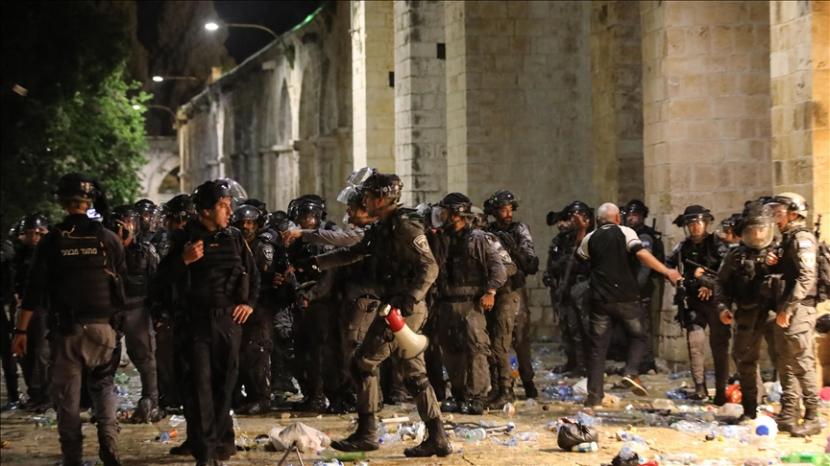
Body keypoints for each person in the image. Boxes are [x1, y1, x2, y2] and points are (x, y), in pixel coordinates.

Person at [313, 172, 451, 457]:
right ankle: (438, 437)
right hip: (396, 306)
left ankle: (367, 433)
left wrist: (411, 298)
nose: (363, 201)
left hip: (402, 309)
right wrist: (315, 263)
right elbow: (355, 252)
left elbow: (430, 266)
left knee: (363, 363)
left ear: (381, 198)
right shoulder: (383, 228)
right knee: (414, 374)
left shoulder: (404, 226)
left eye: (367, 196)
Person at [12, 173, 125, 466]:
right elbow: (120, 284)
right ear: (89, 202)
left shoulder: (51, 242)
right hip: (104, 329)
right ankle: (109, 440)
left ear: (63, 202)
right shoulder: (109, 239)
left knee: (68, 400)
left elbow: (33, 292)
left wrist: (20, 332)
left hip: (68, 332)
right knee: (104, 386)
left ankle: (72, 458)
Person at [155, 179, 259, 466]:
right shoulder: (183, 239)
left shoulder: (234, 238)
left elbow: (252, 275)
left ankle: (221, 442)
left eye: (229, 205)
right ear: (205, 211)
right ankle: (205, 451)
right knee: (199, 388)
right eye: (223, 206)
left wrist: (248, 304)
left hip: (228, 322)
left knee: (225, 387)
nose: (229, 212)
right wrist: (183, 261)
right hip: (195, 324)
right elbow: (160, 282)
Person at [577, 203, 681, 407]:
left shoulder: (591, 237)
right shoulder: (626, 232)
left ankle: (594, 396)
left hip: (600, 300)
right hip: (626, 297)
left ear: (598, 220)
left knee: (597, 348)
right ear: (618, 218)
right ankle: (631, 372)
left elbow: (580, 258)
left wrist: (582, 230)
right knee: (639, 335)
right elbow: (641, 254)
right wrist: (666, 271)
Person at [431, 193, 506, 414]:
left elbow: (499, 268)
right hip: (445, 302)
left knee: (476, 349)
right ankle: (459, 394)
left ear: (458, 214)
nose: (442, 216)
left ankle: (477, 396)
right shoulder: (441, 238)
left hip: (470, 303)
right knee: (450, 350)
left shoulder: (478, 238)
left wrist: (491, 291)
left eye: (446, 212)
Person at [765, 193, 821, 436]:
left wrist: (788, 308)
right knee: (785, 360)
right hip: (785, 307)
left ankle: (813, 416)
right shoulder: (786, 238)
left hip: (798, 308)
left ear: (794, 214)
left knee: (801, 361)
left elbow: (807, 277)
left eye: (779, 213)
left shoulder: (802, 238)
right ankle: (789, 412)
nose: (775, 218)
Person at [717, 201, 778, 422]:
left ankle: (792, 409)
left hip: (774, 314)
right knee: (744, 360)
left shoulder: (779, 252)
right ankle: (750, 409)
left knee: (786, 360)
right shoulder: (736, 256)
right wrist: (723, 307)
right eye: (753, 230)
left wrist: (775, 267)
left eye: (762, 229)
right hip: (747, 313)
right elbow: (721, 284)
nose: (758, 235)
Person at [666, 205, 730, 402]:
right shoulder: (682, 248)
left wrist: (709, 284)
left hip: (717, 303)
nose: (695, 227)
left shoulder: (717, 244)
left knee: (719, 347)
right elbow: (668, 266)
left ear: (706, 223)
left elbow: (727, 271)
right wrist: (675, 277)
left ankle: (721, 391)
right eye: (691, 223)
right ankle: (700, 388)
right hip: (693, 302)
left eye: (699, 223)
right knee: (695, 345)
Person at [105, 206, 160, 423]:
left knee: (145, 357)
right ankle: (104, 404)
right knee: (107, 357)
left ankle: (150, 401)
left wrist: (158, 313)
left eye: (128, 222)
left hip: (138, 308)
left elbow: (156, 281)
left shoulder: (145, 250)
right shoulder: (105, 249)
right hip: (111, 309)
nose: (124, 227)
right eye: (120, 223)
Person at [484, 190, 540, 398]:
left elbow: (531, 263)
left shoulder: (519, 230)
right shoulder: (488, 231)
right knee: (497, 341)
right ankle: (500, 385)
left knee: (520, 339)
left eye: (510, 209)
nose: (508, 214)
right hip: (494, 291)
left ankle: (527, 382)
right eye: (503, 210)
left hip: (513, 289)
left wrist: (513, 249)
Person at [231, 203, 274, 415]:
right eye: (243, 223)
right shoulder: (233, 245)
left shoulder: (262, 247)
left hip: (260, 308)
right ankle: (243, 396)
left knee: (257, 354)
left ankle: (261, 398)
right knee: (239, 355)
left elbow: (266, 278)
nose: (246, 227)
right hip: (237, 308)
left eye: (250, 223)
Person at [546, 201, 593, 376]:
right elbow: (554, 261)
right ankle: (572, 361)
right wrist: (550, 274)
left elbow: (585, 262)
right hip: (564, 287)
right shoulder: (563, 239)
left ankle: (584, 365)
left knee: (581, 328)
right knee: (568, 327)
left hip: (581, 286)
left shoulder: (588, 237)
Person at [13, 213, 52, 411]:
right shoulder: (18, 255)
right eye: (29, 233)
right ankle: (34, 393)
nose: (34, 238)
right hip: (24, 308)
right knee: (23, 352)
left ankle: (45, 395)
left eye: (38, 233)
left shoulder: (50, 253)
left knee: (42, 353)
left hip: (44, 307)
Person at [622, 199, 664, 374]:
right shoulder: (629, 234)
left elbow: (645, 267)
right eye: (629, 215)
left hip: (643, 287)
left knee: (643, 325)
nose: (631, 218)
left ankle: (646, 361)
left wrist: (636, 288)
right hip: (631, 286)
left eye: (635, 215)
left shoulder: (644, 237)